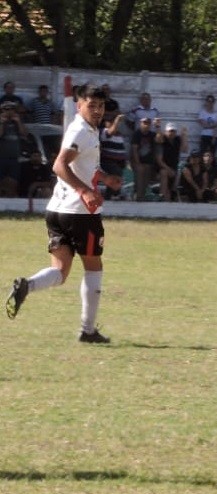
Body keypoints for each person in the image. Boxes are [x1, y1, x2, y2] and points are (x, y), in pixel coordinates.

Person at [5, 84, 122, 343]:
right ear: (79, 106)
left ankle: (27, 285)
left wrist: (104, 178)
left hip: (57, 210)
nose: (97, 111)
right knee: (94, 267)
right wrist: (84, 191)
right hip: (80, 213)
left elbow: (84, 165)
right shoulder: (81, 129)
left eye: (100, 106)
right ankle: (87, 330)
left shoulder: (88, 130)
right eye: (91, 105)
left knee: (59, 271)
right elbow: (59, 165)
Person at [0, 99, 28, 196]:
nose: (9, 111)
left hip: (14, 158)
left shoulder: (17, 122)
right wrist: (2, 123)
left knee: (13, 182)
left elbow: (24, 134)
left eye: (12, 109)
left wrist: (18, 121)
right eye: (6, 109)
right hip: (1, 157)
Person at [155, 122, 188, 201]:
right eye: (169, 131)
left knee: (170, 189)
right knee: (164, 172)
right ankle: (162, 195)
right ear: (166, 131)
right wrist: (169, 169)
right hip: (161, 168)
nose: (171, 133)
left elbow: (185, 149)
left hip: (173, 168)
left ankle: (167, 199)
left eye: (173, 131)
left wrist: (184, 135)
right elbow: (159, 160)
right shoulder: (162, 142)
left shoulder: (177, 140)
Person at [99, 112, 128, 200]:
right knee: (116, 173)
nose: (111, 123)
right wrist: (117, 120)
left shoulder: (119, 134)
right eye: (109, 122)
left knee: (117, 175)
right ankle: (113, 194)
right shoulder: (104, 131)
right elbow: (111, 131)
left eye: (112, 121)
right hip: (107, 161)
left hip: (118, 162)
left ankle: (111, 195)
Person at [129, 116, 159, 201]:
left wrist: (157, 127)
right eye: (144, 123)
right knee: (141, 170)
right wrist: (138, 163)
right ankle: (138, 196)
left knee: (147, 174)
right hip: (137, 161)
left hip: (148, 162)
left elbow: (160, 139)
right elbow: (134, 150)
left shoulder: (152, 134)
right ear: (141, 123)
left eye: (148, 123)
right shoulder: (137, 134)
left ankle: (142, 195)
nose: (146, 125)